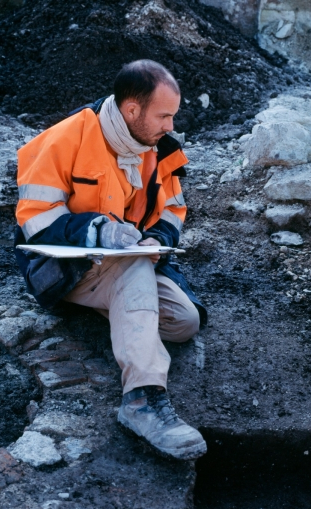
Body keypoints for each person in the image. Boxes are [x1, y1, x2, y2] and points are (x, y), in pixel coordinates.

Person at [14, 60, 207, 460]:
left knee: (184, 322)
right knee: (134, 267)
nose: (171, 126)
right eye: (164, 115)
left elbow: (173, 210)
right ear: (132, 110)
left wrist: (157, 238)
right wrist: (96, 229)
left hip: (122, 265)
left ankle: (125, 312)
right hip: (66, 270)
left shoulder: (161, 149)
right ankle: (143, 400)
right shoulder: (65, 139)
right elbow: (35, 220)